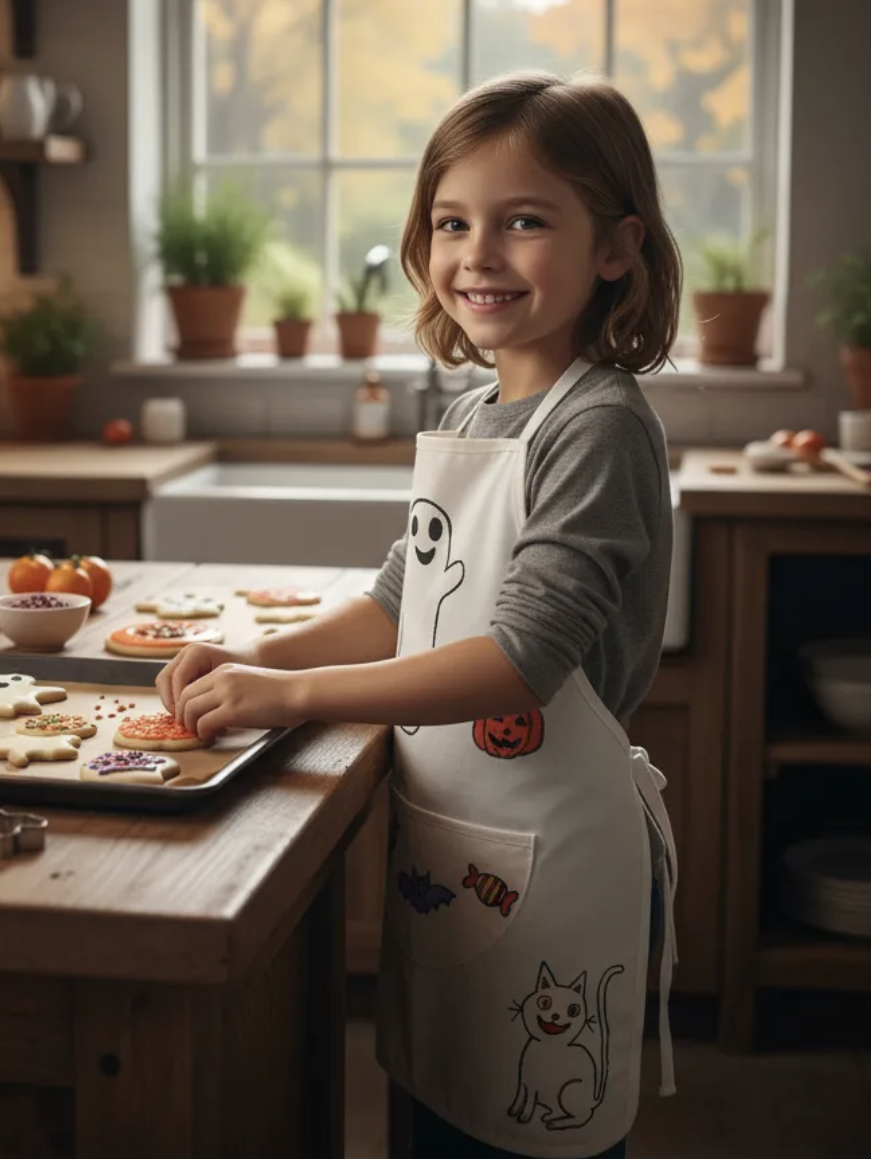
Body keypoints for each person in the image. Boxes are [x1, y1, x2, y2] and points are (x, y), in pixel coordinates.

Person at [157, 71, 682, 1158]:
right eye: (452, 223)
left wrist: (291, 693)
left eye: (523, 221)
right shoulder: (474, 409)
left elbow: (517, 662)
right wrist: (250, 657)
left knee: (531, 1123)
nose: (476, 254)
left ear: (616, 247)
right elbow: (405, 599)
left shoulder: (599, 427)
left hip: (559, 857)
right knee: (435, 1109)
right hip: (454, 850)